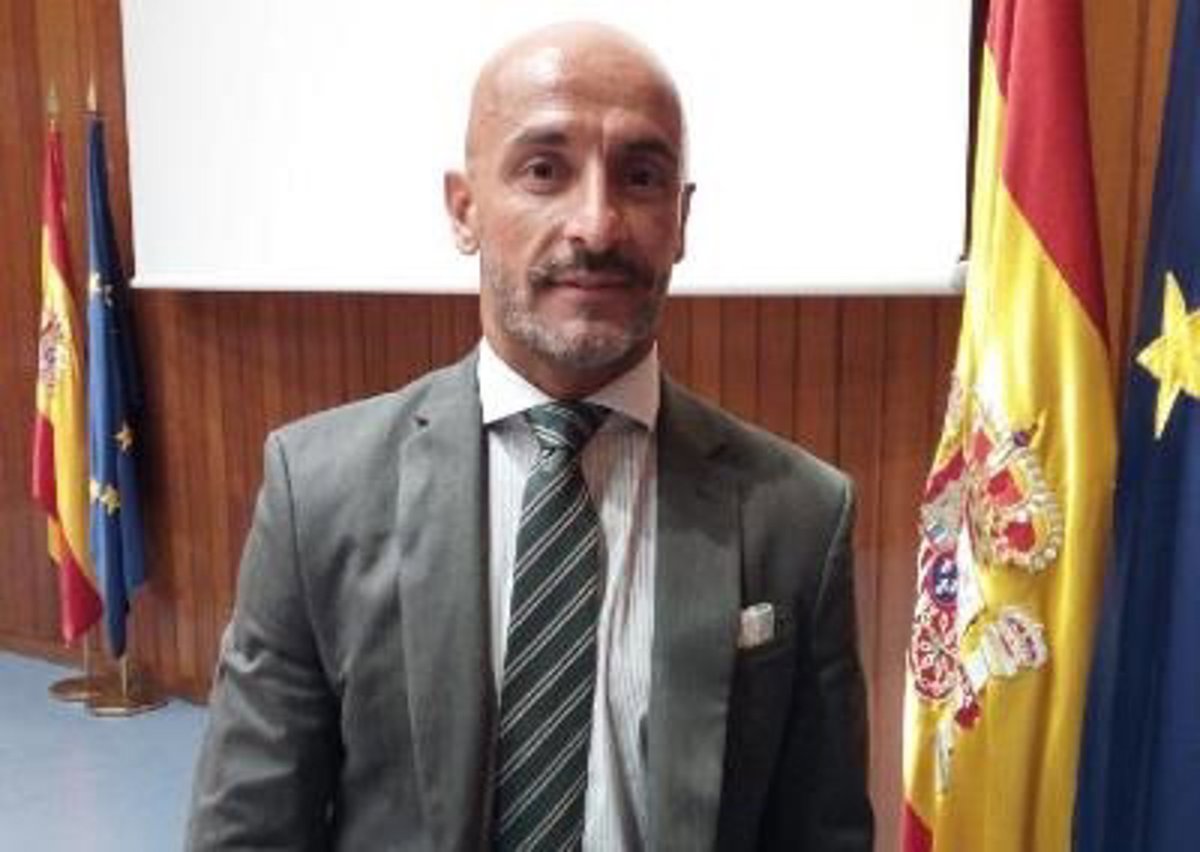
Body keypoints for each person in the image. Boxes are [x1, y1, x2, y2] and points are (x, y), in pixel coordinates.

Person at [187, 21, 873, 852]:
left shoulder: (799, 515)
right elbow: (249, 831)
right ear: (464, 209)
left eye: (641, 176)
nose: (598, 225)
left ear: (682, 219)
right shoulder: (320, 493)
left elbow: (821, 832)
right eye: (544, 170)